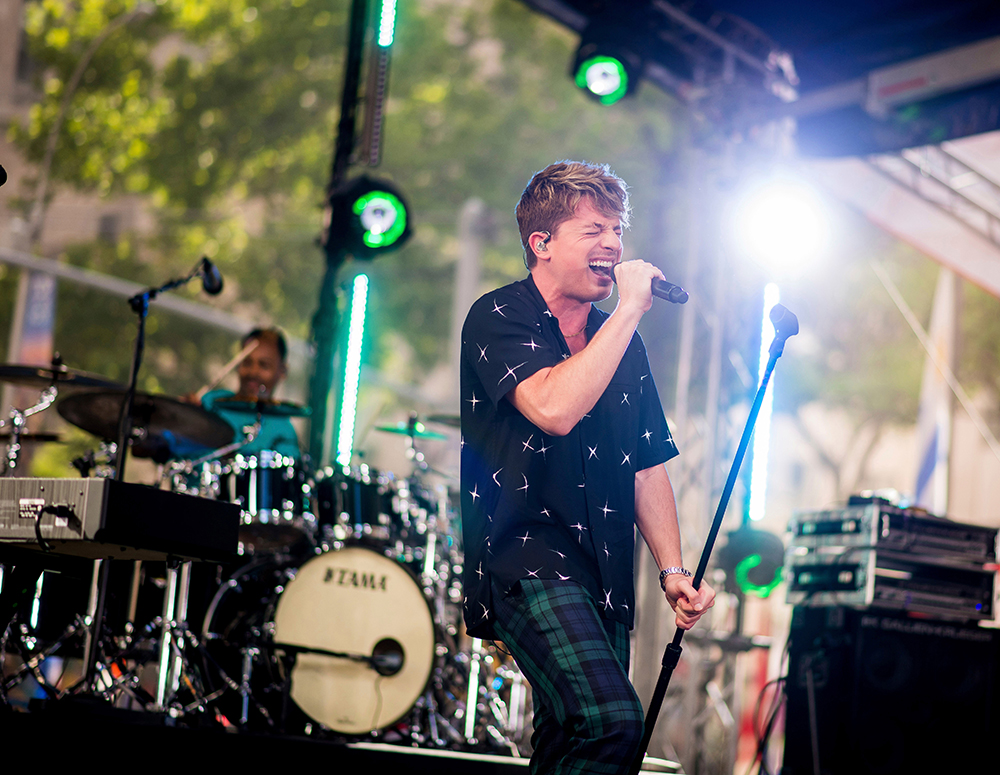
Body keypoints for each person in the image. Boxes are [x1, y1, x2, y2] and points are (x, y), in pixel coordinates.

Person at [460, 161, 715, 774]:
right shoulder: (499, 316)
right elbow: (552, 408)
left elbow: (647, 463)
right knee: (611, 723)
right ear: (541, 244)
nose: (613, 245)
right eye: (594, 230)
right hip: (524, 557)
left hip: (603, 569)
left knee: (566, 744)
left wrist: (672, 567)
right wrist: (629, 311)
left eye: (618, 230)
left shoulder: (621, 340)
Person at [199, 327, 301, 458]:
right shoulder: (211, 403)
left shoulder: (284, 432)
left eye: (264, 365)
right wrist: (187, 411)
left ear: (282, 371)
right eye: (246, 362)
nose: (253, 372)